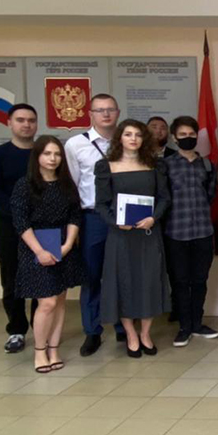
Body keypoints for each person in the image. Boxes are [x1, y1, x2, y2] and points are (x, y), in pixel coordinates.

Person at [94, 119, 171, 358]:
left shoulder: (155, 165)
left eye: (138, 135)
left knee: (149, 282)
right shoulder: (106, 166)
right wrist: (116, 222)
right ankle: (130, 334)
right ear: (120, 138)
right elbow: (101, 204)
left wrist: (153, 218)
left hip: (148, 233)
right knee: (124, 283)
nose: (133, 139)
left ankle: (146, 333)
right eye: (128, 134)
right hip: (121, 235)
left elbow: (164, 198)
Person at [10, 135, 86, 372]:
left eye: (57, 154)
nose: (53, 158)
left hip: (63, 245)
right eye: (47, 154)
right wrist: (40, 251)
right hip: (35, 247)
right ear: (37, 156)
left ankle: (54, 349)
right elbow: (21, 222)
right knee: (47, 302)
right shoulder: (24, 185)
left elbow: (75, 216)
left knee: (60, 301)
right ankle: (40, 352)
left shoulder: (66, 184)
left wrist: (68, 245)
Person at [65, 92, 123, 356]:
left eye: (110, 109)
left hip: (123, 217)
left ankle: (124, 326)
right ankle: (92, 331)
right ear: (90, 114)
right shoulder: (76, 144)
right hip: (93, 217)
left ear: (118, 113)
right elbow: (72, 185)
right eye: (100, 110)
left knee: (122, 273)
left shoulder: (127, 140)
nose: (106, 114)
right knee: (91, 275)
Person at [0, 103, 38, 353]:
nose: (26, 125)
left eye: (31, 120)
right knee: (12, 280)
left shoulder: (44, 153)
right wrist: (21, 217)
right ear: (9, 123)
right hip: (9, 228)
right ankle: (16, 330)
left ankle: (41, 328)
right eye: (20, 120)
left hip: (42, 228)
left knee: (43, 280)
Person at [162, 116, 218, 347]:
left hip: (203, 231)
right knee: (180, 281)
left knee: (200, 280)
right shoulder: (165, 165)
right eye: (182, 135)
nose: (188, 138)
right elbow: (162, 197)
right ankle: (184, 327)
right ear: (174, 138)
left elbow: (210, 194)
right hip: (176, 232)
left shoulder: (207, 164)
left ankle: (197, 323)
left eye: (191, 134)